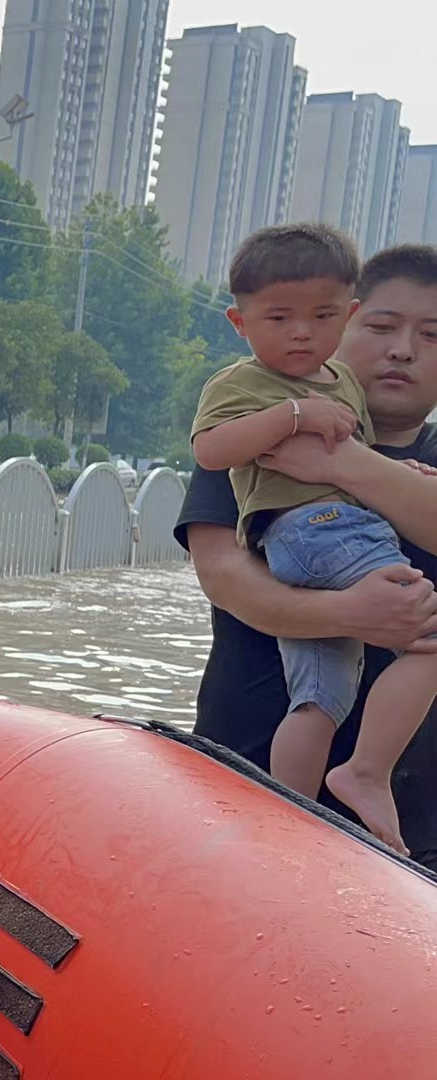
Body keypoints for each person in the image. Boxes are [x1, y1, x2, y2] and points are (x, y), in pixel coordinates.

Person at [177, 242, 437, 870]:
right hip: (241, 772)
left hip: (412, 825)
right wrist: (350, 613)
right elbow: (225, 576)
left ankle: (366, 773)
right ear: (348, 324)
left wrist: (345, 460)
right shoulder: (258, 417)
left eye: (432, 335)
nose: (403, 349)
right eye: (382, 326)